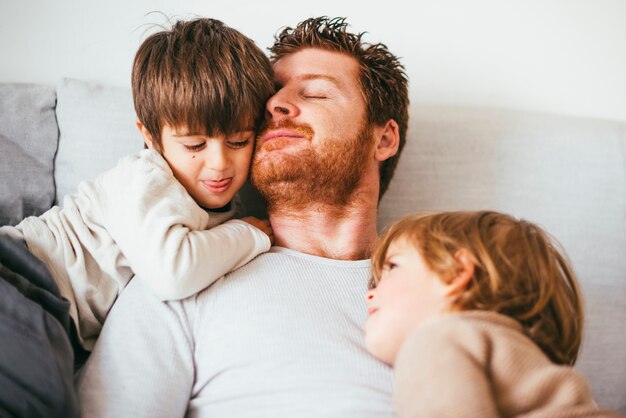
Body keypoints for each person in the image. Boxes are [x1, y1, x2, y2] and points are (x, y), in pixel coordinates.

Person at [76, 16, 409, 418]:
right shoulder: (184, 269)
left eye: (317, 93)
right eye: (269, 96)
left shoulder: (445, 283)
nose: (273, 105)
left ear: (384, 138)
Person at [0, 18, 275, 417]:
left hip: (46, 310)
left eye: (238, 141)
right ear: (150, 136)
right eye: (194, 144)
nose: (219, 163)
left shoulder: (219, 205)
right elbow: (173, 271)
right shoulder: (144, 178)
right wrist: (251, 235)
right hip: (19, 277)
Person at [365, 210, 622, 418]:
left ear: (458, 273)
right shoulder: (521, 357)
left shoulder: (434, 341)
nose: (369, 294)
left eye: (393, 266)